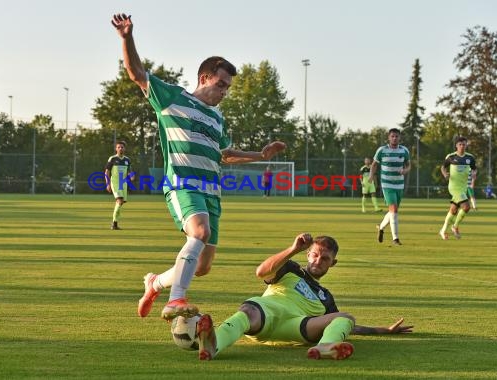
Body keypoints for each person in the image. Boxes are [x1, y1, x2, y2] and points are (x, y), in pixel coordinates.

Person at [111, 13, 286, 320]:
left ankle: (156, 283)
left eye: (228, 87)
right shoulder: (172, 98)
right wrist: (127, 38)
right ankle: (176, 299)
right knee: (199, 232)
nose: (224, 91)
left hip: (211, 192)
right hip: (182, 183)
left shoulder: (218, 119)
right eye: (221, 84)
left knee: (202, 266)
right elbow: (137, 73)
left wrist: (260, 154)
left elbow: (224, 154)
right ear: (204, 78)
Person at [196, 233, 413, 361]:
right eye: (315, 255)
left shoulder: (325, 296)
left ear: (333, 263)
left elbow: (345, 326)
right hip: (266, 314)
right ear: (308, 254)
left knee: (345, 317)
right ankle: (213, 344)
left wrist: (383, 330)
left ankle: (326, 346)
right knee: (249, 309)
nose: (318, 261)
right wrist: (292, 249)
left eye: (325, 259)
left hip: (296, 325)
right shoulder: (289, 268)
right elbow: (261, 272)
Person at [369, 128, 410, 245]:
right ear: (388, 137)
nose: (394, 138)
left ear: (399, 138)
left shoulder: (404, 151)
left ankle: (381, 227)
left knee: (393, 211)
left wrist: (405, 170)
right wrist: (371, 176)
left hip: (399, 184)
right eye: (392, 136)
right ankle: (395, 238)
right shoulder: (382, 150)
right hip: (387, 184)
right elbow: (374, 164)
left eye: (396, 136)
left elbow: (408, 165)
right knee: (394, 209)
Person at [439, 137, 477, 240]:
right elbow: (443, 167)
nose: (462, 146)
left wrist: (473, 176)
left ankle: (443, 230)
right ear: (456, 145)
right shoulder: (451, 157)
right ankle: (455, 227)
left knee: (453, 210)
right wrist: (445, 174)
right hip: (454, 187)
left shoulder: (470, 158)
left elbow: (474, 169)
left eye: (464, 144)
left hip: (463, 187)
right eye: (460, 144)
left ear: (466, 145)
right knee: (466, 207)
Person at [105, 141, 134, 230]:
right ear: (116, 149)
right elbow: (107, 172)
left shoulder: (127, 160)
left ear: (124, 149)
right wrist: (108, 184)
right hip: (115, 183)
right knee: (120, 201)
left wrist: (132, 176)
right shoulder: (112, 159)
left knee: (120, 203)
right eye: (119, 147)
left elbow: (130, 171)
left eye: (122, 147)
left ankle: (115, 224)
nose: (120, 148)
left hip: (123, 184)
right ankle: (114, 224)